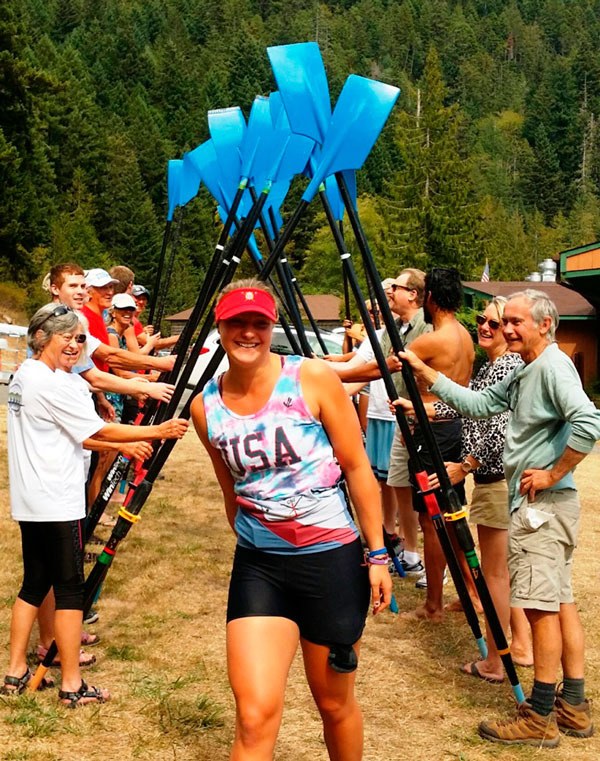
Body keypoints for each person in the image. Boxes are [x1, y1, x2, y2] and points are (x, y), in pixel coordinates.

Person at [190, 279, 392, 760]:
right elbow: (230, 491)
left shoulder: (312, 378)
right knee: (255, 713)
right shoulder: (206, 408)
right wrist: (260, 537)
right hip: (260, 567)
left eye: (258, 322)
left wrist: (378, 552)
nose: (248, 332)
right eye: (237, 322)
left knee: (334, 704)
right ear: (219, 327)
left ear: (272, 326)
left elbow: (358, 467)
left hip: (332, 564)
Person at [399, 289, 600, 746]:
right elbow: (479, 404)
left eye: (516, 322)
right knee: (560, 601)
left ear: (545, 325)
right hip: (544, 509)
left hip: (542, 509)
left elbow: (589, 422)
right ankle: (574, 704)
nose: (506, 328)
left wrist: (552, 473)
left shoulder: (550, 366)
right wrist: (427, 373)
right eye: (502, 320)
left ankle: (541, 716)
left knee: (540, 608)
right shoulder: (526, 368)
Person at [2, 303, 188, 705]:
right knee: (70, 591)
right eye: (65, 336)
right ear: (41, 337)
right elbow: (97, 428)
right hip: (57, 501)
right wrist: (160, 429)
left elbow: (77, 435)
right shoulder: (50, 383)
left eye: (79, 337)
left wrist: (124, 442)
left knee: (35, 584)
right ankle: (72, 684)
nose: (74, 344)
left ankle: (15, 672)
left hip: (32, 500)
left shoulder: (27, 376)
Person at [417, 297, 532, 680]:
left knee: (497, 574)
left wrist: (465, 465)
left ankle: (498, 660)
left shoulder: (509, 366)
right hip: (492, 481)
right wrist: (426, 409)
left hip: (497, 479)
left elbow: (500, 427)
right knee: (504, 572)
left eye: (495, 324)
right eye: (482, 320)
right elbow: (472, 406)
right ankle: (520, 646)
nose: (484, 327)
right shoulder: (492, 366)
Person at [396, 268, 473, 620]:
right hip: (456, 428)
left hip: (435, 432)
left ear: (429, 298)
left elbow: (380, 369)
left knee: (433, 520)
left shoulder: (433, 339)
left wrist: (333, 375)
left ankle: (433, 605)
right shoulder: (465, 336)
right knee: (452, 513)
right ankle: (470, 592)